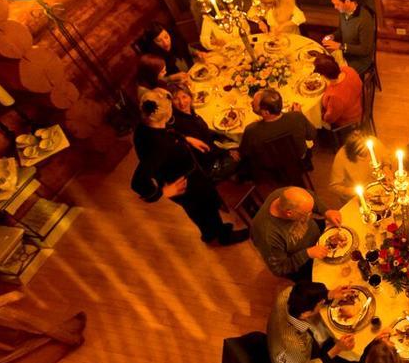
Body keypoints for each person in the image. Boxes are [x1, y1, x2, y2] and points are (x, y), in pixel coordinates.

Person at [130, 90, 247, 245]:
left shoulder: (145, 126)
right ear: (166, 115)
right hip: (187, 184)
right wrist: (163, 192)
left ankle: (210, 234)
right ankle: (221, 236)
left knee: (202, 210)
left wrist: (185, 139)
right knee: (205, 210)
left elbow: (167, 132)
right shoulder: (160, 146)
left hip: (189, 177)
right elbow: (138, 182)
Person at [267, 281, 356, 363]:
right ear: (306, 314)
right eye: (321, 303)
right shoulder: (293, 345)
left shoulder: (288, 293)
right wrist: (337, 349)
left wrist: (329, 294)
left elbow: (308, 295)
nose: (323, 302)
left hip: (287, 346)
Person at [251, 186, 342, 281]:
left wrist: (326, 211)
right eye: (306, 213)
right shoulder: (268, 236)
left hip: (316, 238)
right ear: (289, 213)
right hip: (303, 263)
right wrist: (308, 253)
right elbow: (279, 269)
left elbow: (311, 198)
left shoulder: (285, 193)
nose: (310, 214)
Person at [239, 88, 317, 182]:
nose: (251, 104)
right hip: (299, 159)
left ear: (266, 112)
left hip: (272, 167)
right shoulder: (297, 117)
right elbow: (311, 135)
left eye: (254, 104)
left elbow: (245, 153)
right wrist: (298, 114)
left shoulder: (251, 131)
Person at [168, 82, 238, 181]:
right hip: (210, 166)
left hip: (211, 151)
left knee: (231, 140)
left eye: (184, 97)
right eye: (176, 99)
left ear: (190, 97)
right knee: (241, 153)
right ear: (171, 102)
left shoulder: (189, 112)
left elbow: (205, 132)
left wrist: (221, 137)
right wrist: (227, 152)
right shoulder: (183, 124)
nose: (182, 103)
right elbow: (206, 150)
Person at [323, 0, 376, 75]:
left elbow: (365, 50)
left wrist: (341, 46)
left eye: (337, 4)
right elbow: (340, 31)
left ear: (347, 1)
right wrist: (332, 36)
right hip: (346, 53)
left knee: (334, 73)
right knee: (324, 64)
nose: (335, 7)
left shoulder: (364, 19)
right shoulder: (343, 12)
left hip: (360, 60)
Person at [329, 131, 389, 203]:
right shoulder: (341, 157)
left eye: (369, 152)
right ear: (352, 153)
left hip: (379, 187)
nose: (368, 157)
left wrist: (386, 168)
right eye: (362, 155)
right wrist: (354, 191)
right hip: (356, 197)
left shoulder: (373, 143)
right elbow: (334, 186)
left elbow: (386, 158)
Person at [312, 52, 362, 128]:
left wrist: (320, 116)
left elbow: (329, 119)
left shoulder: (335, 97)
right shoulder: (348, 70)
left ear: (323, 75)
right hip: (357, 105)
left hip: (348, 122)